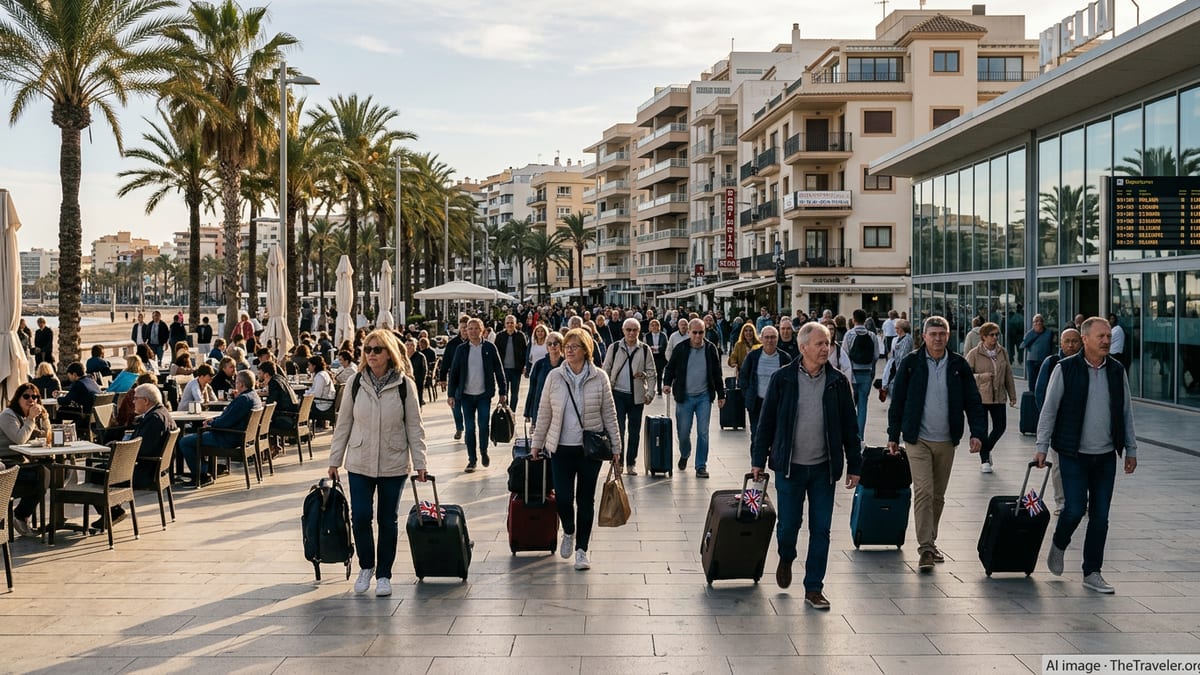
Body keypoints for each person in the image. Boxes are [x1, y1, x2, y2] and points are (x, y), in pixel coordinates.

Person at [751, 322, 861, 607]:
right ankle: (786, 556)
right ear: (803, 348)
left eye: (828, 343)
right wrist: (757, 460)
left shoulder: (838, 381)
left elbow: (850, 426)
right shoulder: (782, 379)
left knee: (821, 529)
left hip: (824, 469)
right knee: (788, 526)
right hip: (790, 467)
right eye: (820, 344)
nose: (826, 348)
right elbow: (766, 423)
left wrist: (855, 465)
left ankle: (814, 587)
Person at [1035, 317, 1138, 594]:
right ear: (1085, 339)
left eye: (1108, 336)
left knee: (1101, 516)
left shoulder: (1117, 371)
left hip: (1105, 455)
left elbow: (1126, 412)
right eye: (1101, 336)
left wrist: (1131, 448)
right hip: (1072, 453)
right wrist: (1042, 446)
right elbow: (1049, 409)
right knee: (1075, 509)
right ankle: (1059, 542)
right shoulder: (1065, 369)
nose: (1107, 340)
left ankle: (1092, 571)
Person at [328, 329, 427, 597]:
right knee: (360, 517)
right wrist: (334, 459)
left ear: (389, 353)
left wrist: (420, 463)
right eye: (367, 350)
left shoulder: (405, 385)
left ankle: (384, 573)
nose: (371, 354)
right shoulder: (356, 382)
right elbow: (344, 422)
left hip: (393, 462)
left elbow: (414, 426)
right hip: (359, 461)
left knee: (387, 519)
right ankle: (366, 566)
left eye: (377, 349)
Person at [886, 316, 987, 572]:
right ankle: (926, 549)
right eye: (933, 334)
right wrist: (892, 435)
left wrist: (978, 433)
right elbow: (897, 402)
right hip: (917, 439)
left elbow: (973, 401)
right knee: (924, 491)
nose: (938, 338)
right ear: (924, 337)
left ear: (949, 336)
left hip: (946, 440)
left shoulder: (958, 365)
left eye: (942, 333)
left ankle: (931, 540)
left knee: (938, 496)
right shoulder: (911, 363)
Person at [530, 327, 622, 572]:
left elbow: (609, 414)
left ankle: (582, 549)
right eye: (566, 346)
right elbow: (544, 412)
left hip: (590, 450)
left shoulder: (600, 377)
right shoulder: (555, 377)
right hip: (560, 447)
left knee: (585, 499)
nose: (568, 350)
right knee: (562, 497)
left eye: (573, 346)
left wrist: (616, 447)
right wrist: (537, 444)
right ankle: (568, 531)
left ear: (586, 349)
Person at [662, 318, 726, 478]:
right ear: (689, 332)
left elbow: (717, 373)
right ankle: (685, 454)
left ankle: (700, 466)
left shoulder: (711, 349)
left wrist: (721, 394)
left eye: (701, 332)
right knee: (683, 432)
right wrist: (667, 383)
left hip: (704, 396)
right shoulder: (681, 348)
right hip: (685, 397)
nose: (698, 336)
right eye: (695, 332)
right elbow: (670, 368)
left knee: (703, 432)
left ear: (705, 332)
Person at [179, 370, 262, 486]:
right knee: (198, 437)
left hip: (228, 437)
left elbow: (225, 422)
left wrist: (211, 424)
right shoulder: (254, 397)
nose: (235, 384)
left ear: (241, 384)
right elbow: (229, 418)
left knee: (185, 441)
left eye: (236, 382)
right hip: (242, 436)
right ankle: (206, 469)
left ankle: (202, 474)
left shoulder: (243, 399)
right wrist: (214, 421)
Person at [446, 317, 508, 472]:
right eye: (469, 328)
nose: (472, 331)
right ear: (466, 330)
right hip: (465, 395)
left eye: (476, 328)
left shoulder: (489, 348)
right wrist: (451, 394)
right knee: (470, 428)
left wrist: (503, 391)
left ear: (482, 330)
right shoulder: (461, 349)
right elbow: (454, 373)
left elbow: (499, 370)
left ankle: (484, 451)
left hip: (483, 394)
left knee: (483, 425)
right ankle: (472, 459)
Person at [1034, 327, 1083, 515]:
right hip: (1058, 426)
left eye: (1074, 341)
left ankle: (1079, 499)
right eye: (1067, 341)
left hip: (1079, 427)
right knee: (1059, 466)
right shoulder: (1053, 362)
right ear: (1060, 343)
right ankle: (1061, 502)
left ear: (1081, 342)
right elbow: (1041, 394)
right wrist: (1048, 422)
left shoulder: (1085, 363)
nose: (1070, 345)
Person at [602, 318, 656, 475]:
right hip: (617, 395)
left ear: (639, 332)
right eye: (629, 330)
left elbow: (652, 373)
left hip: (637, 397)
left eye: (635, 330)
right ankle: (618, 463)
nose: (631, 333)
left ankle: (631, 462)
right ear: (623, 331)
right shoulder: (614, 347)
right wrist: (605, 393)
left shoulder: (644, 349)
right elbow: (606, 370)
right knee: (618, 430)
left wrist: (650, 392)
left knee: (634, 431)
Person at [965, 322, 1017, 474]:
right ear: (983, 337)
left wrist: (1012, 395)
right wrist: (982, 377)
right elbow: (966, 376)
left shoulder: (1002, 352)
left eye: (997, 335)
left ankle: (986, 450)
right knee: (982, 429)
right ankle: (985, 460)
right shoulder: (974, 353)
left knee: (1000, 427)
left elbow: (1008, 374)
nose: (995, 338)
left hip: (998, 396)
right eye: (992, 335)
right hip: (980, 397)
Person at [1, 383, 51, 537]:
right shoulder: (8, 415)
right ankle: (20, 515)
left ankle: (55, 518)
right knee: (44, 475)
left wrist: (44, 418)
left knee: (54, 470)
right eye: (26, 396)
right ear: (18, 398)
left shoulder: (26, 416)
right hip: (6, 464)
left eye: (35, 396)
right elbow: (20, 439)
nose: (31, 399)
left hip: (22, 460)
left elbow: (45, 436)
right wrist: (30, 418)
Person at [739, 325, 791, 451]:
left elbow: (790, 380)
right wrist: (747, 394)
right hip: (757, 403)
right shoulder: (753, 356)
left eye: (773, 337)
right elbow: (743, 376)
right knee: (757, 435)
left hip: (777, 404)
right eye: (767, 337)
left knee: (776, 436)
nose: (769, 340)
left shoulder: (784, 357)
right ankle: (756, 466)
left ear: (777, 339)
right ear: (761, 339)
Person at [843, 309, 879, 440]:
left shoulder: (849, 334)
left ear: (853, 319)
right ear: (865, 320)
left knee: (850, 405)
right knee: (863, 405)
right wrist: (872, 371)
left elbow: (845, 355)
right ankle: (860, 436)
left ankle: (850, 434)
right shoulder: (872, 335)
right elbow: (876, 356)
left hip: (852, 372)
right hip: (866, 372)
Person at [437, 315, 472, 441]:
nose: (464, 330)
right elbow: (445, 362)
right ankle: (459, 427)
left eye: (466, 327)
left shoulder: (473, 343)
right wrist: (442, 378)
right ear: (459, 328)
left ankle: (469, 430)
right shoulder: (452, 344)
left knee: (468, 408)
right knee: (455, 406)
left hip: (470, 379)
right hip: (455, 379)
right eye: (462, 327)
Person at [524, 331, 564, 428]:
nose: (553, 346)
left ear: (561, 345)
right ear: (547, 347)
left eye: (555, 343)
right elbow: (532, 389)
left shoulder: (566, 365)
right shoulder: (539, 364)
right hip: (541, 407)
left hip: (561, 408)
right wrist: (528, 413)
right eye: (549, 344)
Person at [258, 362, 299, 453]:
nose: (258, 375)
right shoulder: (280, 378)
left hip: (286, 418)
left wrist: (261, 404)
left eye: (260, 373)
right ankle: (275, 445)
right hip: (292, 416)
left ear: (266, 374)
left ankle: (270, 448)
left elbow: (271, 403)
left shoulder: (273, 383)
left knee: (261, 425)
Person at [494, 315, 528, 404]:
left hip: (516, 369)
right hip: (503, 370)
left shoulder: (521, 336)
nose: (510, 325)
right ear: (505, 324)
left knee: (515, 394)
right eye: (508, 323)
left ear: (515, 324)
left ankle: (512, 413)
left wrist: (524, 365)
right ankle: (506, 413)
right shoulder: (499, 336)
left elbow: (525, 352)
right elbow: (495, 353)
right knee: (504, 393)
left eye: (512, 323)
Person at [880, 319, 913, 399]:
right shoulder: (897, 339)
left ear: (901, 329)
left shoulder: (907, 339)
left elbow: (903, 356)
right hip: (893, 367)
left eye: (897, 328)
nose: (895, 330)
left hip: (900, 370)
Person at [1020, 314, 1054, 391]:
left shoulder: (1049, 333)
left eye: (1040, 321)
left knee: (1044, 381)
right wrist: (1035, 333)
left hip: (1045, 360)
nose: (1038, 323)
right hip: (1032, 361)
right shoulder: (1029, 333)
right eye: (1036, 321)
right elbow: (1023, 345)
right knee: (1032, 382)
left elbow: (1053, 346)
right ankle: (1032, 397)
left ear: (1043, 322)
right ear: (1033, 323)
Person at [643, 319, 668, 395]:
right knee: (651, 373)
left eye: (656, 325)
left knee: (660, 373)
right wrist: (651, 348)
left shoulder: (663, 335)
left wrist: (657, 348)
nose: (654, 327)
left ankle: (659, 389)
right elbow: (645, 346)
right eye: (652, 325)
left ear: (659, 326)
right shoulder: (647, 336)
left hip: (660, 357)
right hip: (651, 357)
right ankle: (650, 389)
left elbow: (665, 346)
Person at [404, 339, 428, 406]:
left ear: (415, 346)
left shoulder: (420, 356)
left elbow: (424, 371)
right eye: (407, 345)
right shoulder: (402, 357)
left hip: (417, 382)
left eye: (412, 345)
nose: (409, 347)